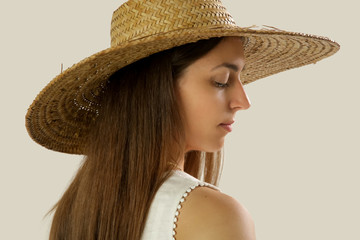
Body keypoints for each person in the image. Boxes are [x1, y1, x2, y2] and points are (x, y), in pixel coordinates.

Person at [25, 0, 340, 239]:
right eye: (221, 80)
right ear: (156, 90)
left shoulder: (75, 211)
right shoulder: (214, 215)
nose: (242, 101)